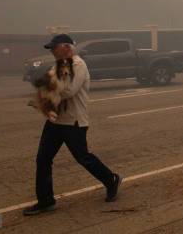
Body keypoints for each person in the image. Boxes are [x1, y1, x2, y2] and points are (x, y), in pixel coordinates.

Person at [23, 34, 121, 216]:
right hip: (55, 121)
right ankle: (46, 201)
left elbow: (69, 91)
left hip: (74, 121)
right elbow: (49, 87)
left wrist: (48, 86)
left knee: (83, 157)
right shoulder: (59, 66)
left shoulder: (78, 65)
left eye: (54, 47)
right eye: (51, 48)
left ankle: (111, 179)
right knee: (43, 159)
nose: (52, 51)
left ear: (66, 47)